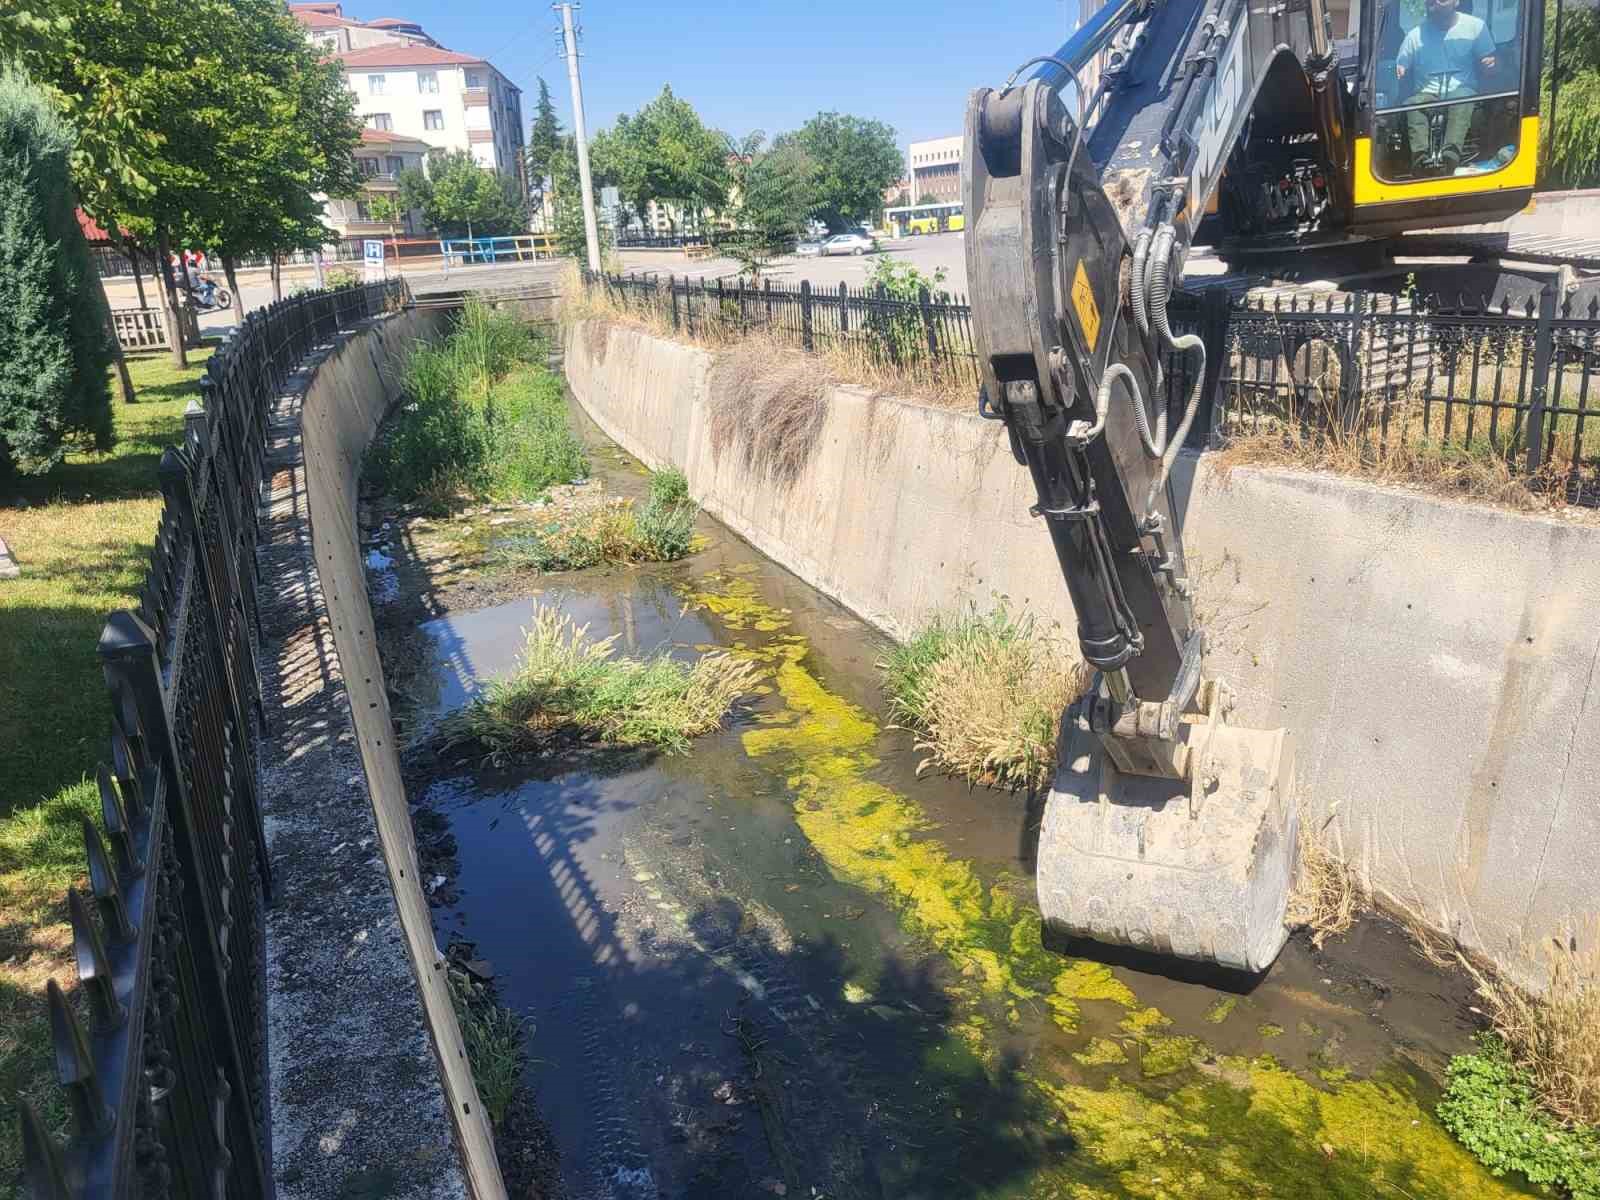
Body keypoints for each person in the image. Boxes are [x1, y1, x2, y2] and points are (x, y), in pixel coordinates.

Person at [1396, 0, 1497, 172]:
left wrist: (1490, 64)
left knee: (1460, 98)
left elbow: (1491, 64)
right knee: (1413, 104)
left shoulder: (1475, 27)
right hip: (1427, 93)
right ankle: (1420, 159)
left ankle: (1451, 156)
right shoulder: (1414, 36)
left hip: (1462, 90)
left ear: (1456, 2)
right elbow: (1401, 67)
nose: (1435, 2)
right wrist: (1401, 69)